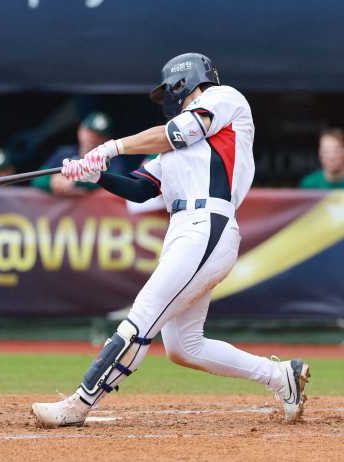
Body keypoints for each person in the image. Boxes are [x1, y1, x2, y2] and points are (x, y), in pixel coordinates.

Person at [32, 53, 311, 426]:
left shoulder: (223, 99)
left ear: (184, 81)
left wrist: (111, 147)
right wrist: (93, 174)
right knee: (183, 346)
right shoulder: (172, 150)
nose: (168, 97)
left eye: (169, 89)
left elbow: (177, 132)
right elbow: (140, 189)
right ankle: (282, 377)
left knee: (143, 314)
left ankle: (79, 404)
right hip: (183, 229)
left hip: (208, 223)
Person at [31, 112, 114, 195]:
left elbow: (114, 180)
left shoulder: (111, 157)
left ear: (107, 138)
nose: (93, 137)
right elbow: (37, 179)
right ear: (80, 130)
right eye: (90, 131)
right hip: (63, 206)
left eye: (100, 135)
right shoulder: (64, 152)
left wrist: (75, 179)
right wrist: (53, 180)